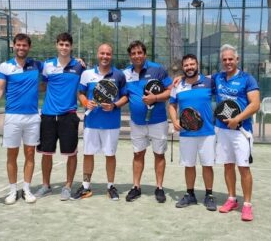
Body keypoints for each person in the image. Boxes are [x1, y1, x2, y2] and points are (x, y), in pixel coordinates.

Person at [0, 33, 42, 205]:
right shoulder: (5, 67)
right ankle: (13, 190)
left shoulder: (36, 65)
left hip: (33, 117)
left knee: (30, 154)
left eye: (24, 45)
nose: (21, 48)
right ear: (13, 46)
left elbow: (57, 65)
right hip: (12, 116)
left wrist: (77, 60)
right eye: (18, 45)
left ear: (29, 47)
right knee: (11, 154)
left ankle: (26, 189)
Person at [72, 43, 128, 200]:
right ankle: (85, 187)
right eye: (102, 53)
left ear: (112, 56)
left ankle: (110, 186)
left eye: (108, 54)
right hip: (91, 123)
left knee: (110, 155)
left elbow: (125, 96)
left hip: (111, 124)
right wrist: (85, 102)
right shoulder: (87, 74)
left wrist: (114, 105)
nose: (105, 56)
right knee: (88, 154)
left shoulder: (119, 75)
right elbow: (81, 93)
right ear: (98, 54)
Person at [35, 32, 85, 201]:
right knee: (46, 153)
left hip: (68, 116)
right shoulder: (47, 65)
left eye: (67, 45)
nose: (64, 47)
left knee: (71, 154)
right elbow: (42, 86)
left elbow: (85, 86)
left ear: (71, 47)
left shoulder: (79, 67)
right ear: (57, 45)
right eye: (61, 44)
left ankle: (68, 186)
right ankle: (46, 186)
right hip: (48, 115)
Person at [212, 44, 260, 221]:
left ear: (237, 59)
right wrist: (179, 77)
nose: (227, 62)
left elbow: (255, 104)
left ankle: (247, 205)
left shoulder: (247, 79)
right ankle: (232, 199)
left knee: (243, 168)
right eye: (224, 60)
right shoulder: (218, 78)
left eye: (230, 59)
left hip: (241, 131)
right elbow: (199, 79)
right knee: (227, 165)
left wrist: (237, 119)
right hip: (223, 131)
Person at [123, 40, 172, 203]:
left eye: (139, 53)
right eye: (133, 53)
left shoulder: (157, 69)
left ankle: (159, 187)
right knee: (138, 154)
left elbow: (170, 90)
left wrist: (155, 98)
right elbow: (123, 94)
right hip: (137, 123)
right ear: (130, 56)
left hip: (158, 121)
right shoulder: (125, 74)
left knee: (159, 154)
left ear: (145, 54)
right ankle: (136, 187)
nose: (137, 56)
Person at [168, 54, 217, 211]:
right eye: (186, 65)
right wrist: (175, 121)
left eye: (192, 64)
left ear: (197, 65)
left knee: (207, 165)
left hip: (207, 132)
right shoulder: (177, 85)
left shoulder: (210, 82)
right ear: (183, 67)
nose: (189, 67)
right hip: (187, 133)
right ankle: (190, 195)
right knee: (189, 165)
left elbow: (222, 80)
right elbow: (172, 105)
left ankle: (209, 195)